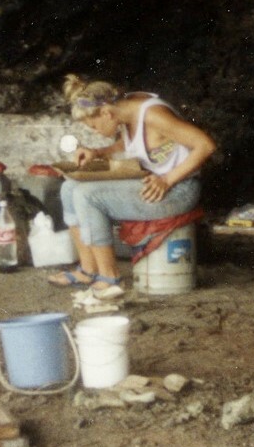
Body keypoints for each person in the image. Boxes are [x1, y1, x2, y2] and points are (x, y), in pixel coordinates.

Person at [48, 74, 216, 288]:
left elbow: (205, 145)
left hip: (179, 190)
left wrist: (167, 179)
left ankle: (109, 277)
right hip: (157, 185)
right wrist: (98, 152)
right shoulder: (125, 108)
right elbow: (129, 144)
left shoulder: (154, 115)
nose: (95, 131)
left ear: (107, 113)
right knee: (69, 188)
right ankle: (88, 270)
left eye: (94, 126)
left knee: (87, 195)